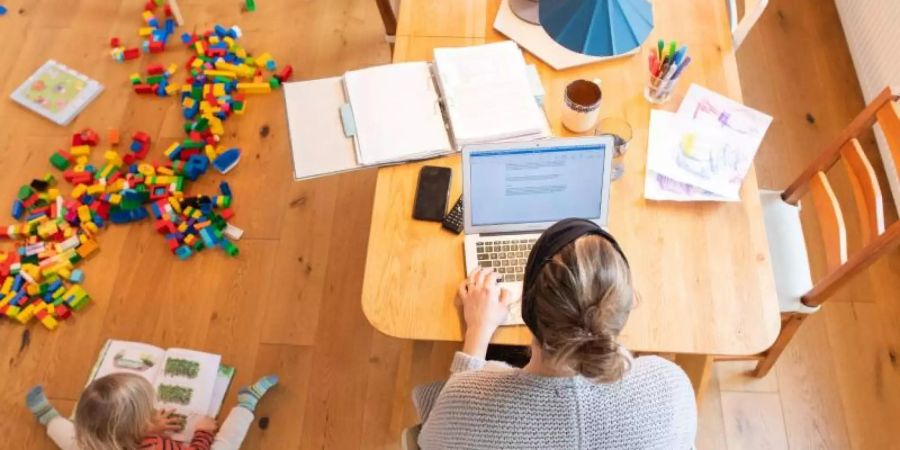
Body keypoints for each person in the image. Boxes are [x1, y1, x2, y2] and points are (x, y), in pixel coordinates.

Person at [414, 218, 697, 449]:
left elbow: (430, 443)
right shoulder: (669, 385)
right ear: (624, 308)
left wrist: (477, 330)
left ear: (526, 306)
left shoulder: (467, 402)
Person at [26, 372, 278, 450]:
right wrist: (202, 433)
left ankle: (47, 417)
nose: (154, 412)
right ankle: (247, 403)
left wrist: (147, 426)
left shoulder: (91, 437)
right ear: (137, 429)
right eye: (148, 413)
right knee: (225, 446)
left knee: (71, 441)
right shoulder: (155, 446)